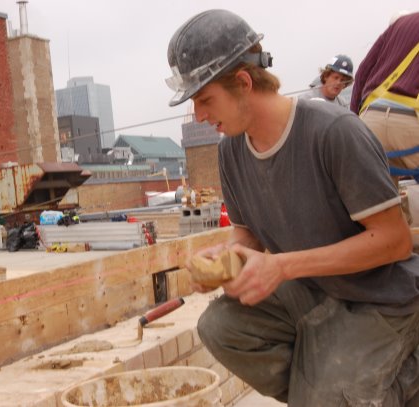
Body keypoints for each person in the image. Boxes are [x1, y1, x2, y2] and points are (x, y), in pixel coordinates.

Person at [166, 9, 419, 406]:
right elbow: (247, 235)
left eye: (204, 99)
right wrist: (228, 261)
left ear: (244, 82)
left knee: (326, 395)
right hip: (315, 291)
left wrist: (283, 266)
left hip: (381, 298)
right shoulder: (231, 151)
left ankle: (391, 379)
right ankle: (334, 386)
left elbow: (395, 243)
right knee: (220, 327)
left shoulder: (333, 132)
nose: (199, 115)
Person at [350, 12, 419, 181]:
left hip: (370, 120)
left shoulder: (401, 23)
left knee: (382, 201)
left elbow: (362, 72)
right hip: (412, 123)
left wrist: (355, 123)